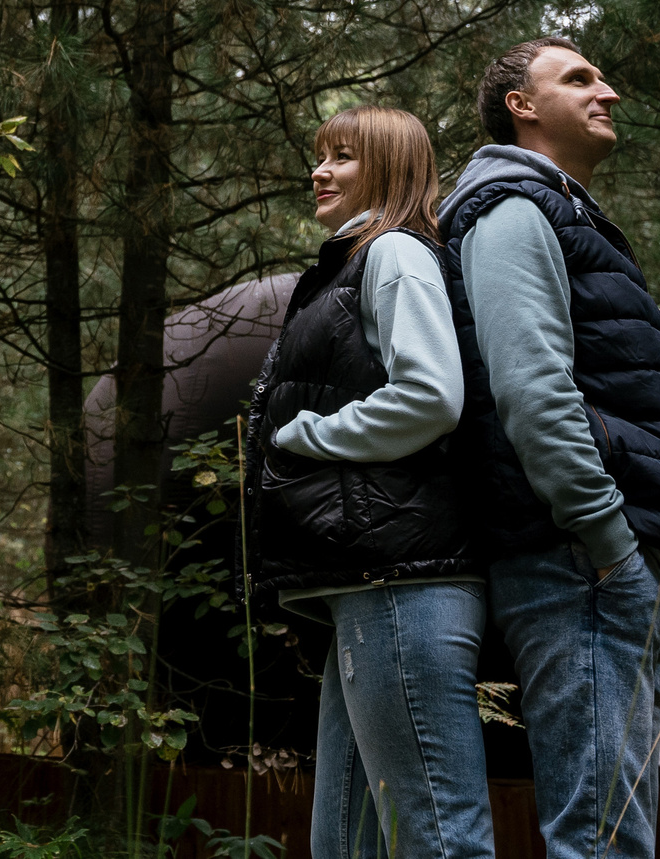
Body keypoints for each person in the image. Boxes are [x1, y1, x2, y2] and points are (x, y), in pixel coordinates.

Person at [436, 38, 660, 859]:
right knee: (602, 833)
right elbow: (532, 392)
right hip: (580, 556)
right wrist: (608, 542)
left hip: (589, 556)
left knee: (607, 823)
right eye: (579, 78)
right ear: (521, 106)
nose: (608, 91)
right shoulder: (513, 208)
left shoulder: (553, 208)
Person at [242, 105, 493, 859]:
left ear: (386, 169)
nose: (319, 170)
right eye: (319, 157)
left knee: (436, 837)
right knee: (344, 845)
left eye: (342, 157)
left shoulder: (396, 256)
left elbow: (429, 395)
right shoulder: (356, 262)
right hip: (371, 586)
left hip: (400, 584)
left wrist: (303, 436)